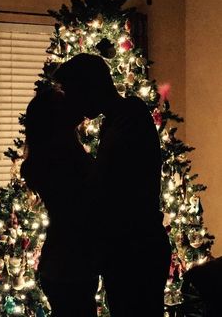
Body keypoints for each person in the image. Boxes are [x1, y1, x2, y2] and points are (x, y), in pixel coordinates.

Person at [53, 53, 172, 316]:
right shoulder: (116, 121)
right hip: (129, 249)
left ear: (90, 87)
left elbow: (104, 184)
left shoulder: (129, 118)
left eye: (73, 92)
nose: (74, 102)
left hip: (137, 251)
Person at [21, 88, 99, 317]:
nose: (72, 103)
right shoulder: (61, 160)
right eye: (63, 102)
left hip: (62, 262)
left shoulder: (57, 154)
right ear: (55, 118)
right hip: (69, 263)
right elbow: (81, 207)